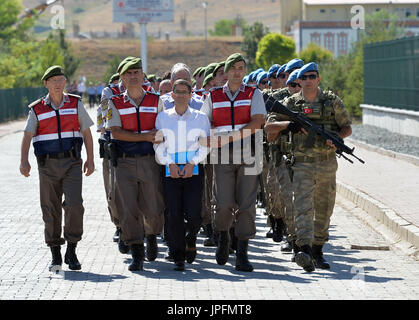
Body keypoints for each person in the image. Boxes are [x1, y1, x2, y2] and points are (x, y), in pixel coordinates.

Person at [264, 62, 352, 272]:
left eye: (312, 76)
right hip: (301, 164)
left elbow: (347, 127)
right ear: (299, 81)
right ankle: (304, 249)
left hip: (326, 163)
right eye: (304, 78)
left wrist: (336, 138)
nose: (308, 80)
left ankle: (318, 250)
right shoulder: (291, 104)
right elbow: (269, 127)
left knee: (324, 208)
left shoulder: (331, 102)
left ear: (318, 79)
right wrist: (290, 125)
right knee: (302, 206)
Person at [19, 65, 95, 272]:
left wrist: (91, 159)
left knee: (74, 205)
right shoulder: (36, 109)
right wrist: (23, 161)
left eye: (62, 80)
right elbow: (27, 137)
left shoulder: (75, 103)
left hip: (72, 163)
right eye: (54, 80)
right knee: (50, 209)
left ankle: (72, 249)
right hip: (47, 165)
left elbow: (87, 134)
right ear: (46, 83)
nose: (59, 84)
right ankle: (55, 254)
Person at [201, 53, 266, 272]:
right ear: (226, 71)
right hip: (221, 155)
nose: (238, 71)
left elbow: (258, 121)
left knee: (247, 205)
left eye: (241, 67)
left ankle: (242, 252)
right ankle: (223, 236)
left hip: (248, 152)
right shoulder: (213, 95)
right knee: (222, 203)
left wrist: (231, 137)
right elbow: (204, 122)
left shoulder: (253, 93)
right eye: (234, 68)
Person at [106, 58, 165, 271]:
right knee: (129, 208)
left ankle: (151, 235)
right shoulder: (114, 103)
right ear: (121, 77)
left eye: (136, 72)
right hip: (124, 162)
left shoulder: (156, 100)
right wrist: (144, 137)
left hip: (150, 161)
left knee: (153, 206)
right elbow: (116, 132)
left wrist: (152, 138)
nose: (133, 76)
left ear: (143, 75)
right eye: (128, 73)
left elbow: (163, 129)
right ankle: (137, 252)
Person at [154, 79, 210, 271]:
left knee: (194, 213)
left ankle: (191, 236)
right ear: (172, 95)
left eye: (184, 92)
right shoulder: (162, 117)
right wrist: (170, 163)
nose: (180, 95)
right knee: (173, 213)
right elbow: (158, 144)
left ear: (190, 94)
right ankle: (178, 255)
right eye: (176, 92)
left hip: (193, 169)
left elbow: (205, 144)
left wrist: (190, 164)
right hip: (170, 170)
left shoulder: (200, 117)